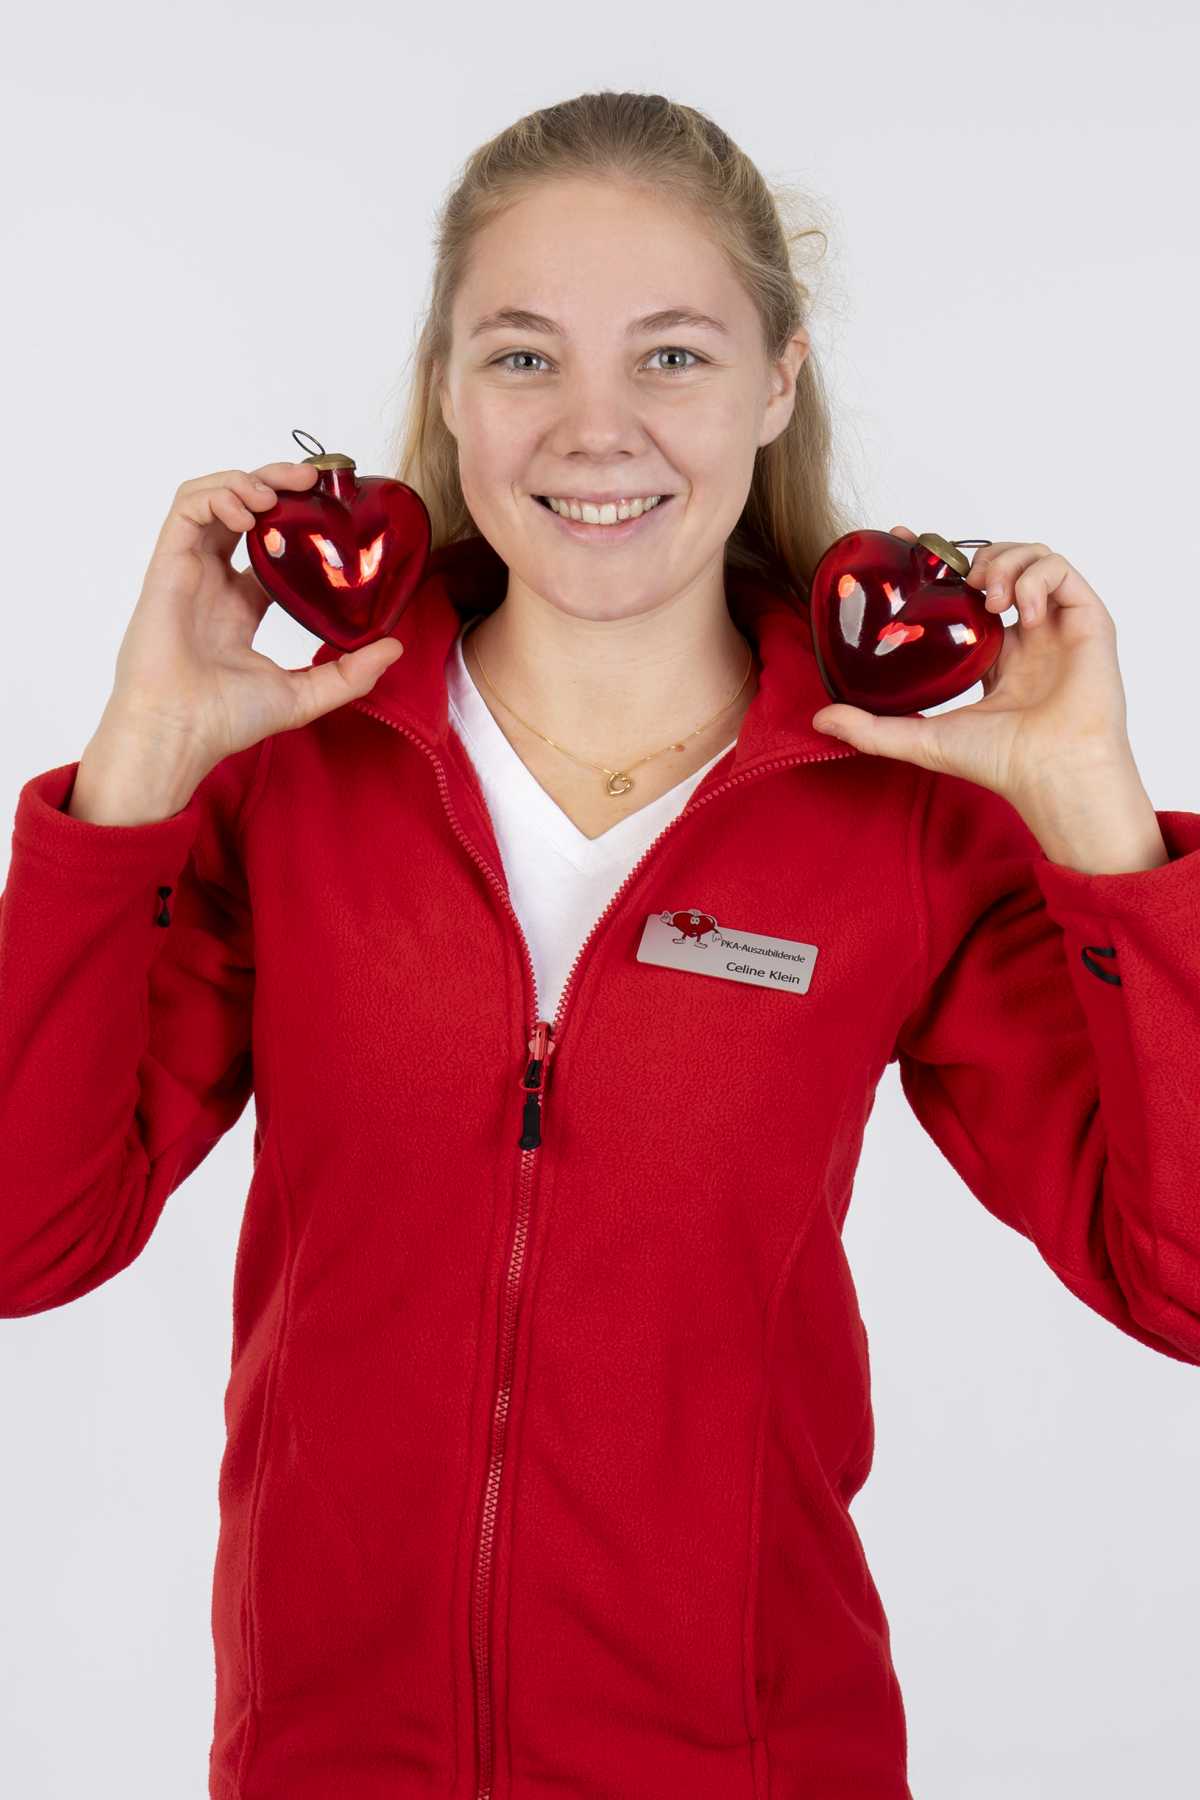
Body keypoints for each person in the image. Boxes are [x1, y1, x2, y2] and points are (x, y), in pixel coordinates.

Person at [2, 89, 1199, 1800]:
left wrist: (1100, 824)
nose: (595, 429)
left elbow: (1181, 1281)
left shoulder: (911, 813)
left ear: (778, 381)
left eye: (673, 357)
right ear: (445, 388)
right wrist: (134, 772)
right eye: (523, 356)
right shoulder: (288, 775)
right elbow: (26, 1240)